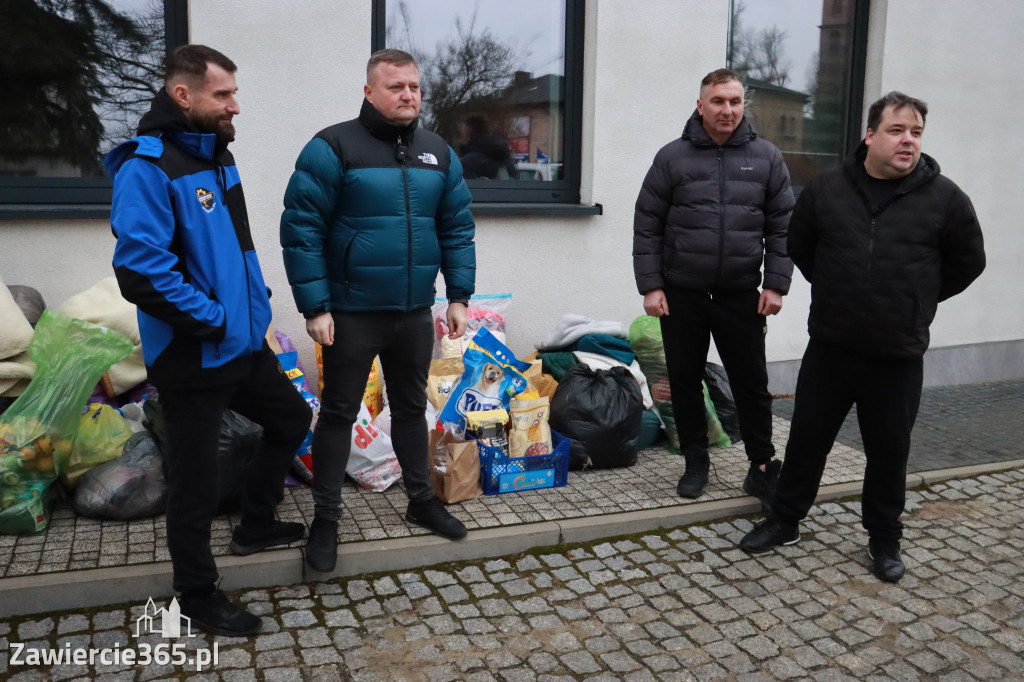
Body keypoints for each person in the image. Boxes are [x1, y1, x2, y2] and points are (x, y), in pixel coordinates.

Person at [105, 45, 313, 636]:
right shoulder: (146, 167)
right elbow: (141, 271)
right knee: (193, 485)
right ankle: (195, 593)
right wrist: (218, 319)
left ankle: (256, 522)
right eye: (222, 95)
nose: (235, 107)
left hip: (242, 344)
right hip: (194, 354)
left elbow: (236, 252)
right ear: (183, 95)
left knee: (292, 419)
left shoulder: (218, 159)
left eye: (233, 94)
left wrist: (254, 310)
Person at [739, 92, 986, 583]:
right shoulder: (828, 191)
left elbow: (968, 263)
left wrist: (918, 299)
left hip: (896, 354)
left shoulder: (946, 199)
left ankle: (884, 538)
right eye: (897, 130)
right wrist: (838, 289)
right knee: (808, 439)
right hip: (831, 346)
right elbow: (801, 246)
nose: (908, 141)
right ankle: (785, 519)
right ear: (870, 136)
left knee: (889, 451)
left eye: (916, 132)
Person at [281, 48, 476, 573]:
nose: (408, 95)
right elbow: (302, 230)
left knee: (412, 408)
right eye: (396, 87)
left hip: (413, 310)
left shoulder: (438, 152)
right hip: (350, 312)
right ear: (369, 91)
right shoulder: (332, 147)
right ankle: (327, 517)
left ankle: (421, 500)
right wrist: (315, 305)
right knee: (340, 413)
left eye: (414, 87)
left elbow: (456, 227)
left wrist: (458, 294)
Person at [632, 68, 794, 502]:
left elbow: (783, 227)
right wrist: (651, 285)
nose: (728, 110)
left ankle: (761, 465)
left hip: (741, 295)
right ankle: (695, 462)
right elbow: (648, 224)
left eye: (735, 102)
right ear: (700, 105)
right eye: (718, 101)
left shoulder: (766, 157)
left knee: (752, 383)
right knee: (685, 381)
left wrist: (776, 284)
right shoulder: (672, 158)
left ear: (744, 106)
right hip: (681, 293)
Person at [458, 114, 517, 180]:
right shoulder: (508, 159)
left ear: (469, 132)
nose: (462, 135)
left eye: (463, 132)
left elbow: (463, 188)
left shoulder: (469, 161)